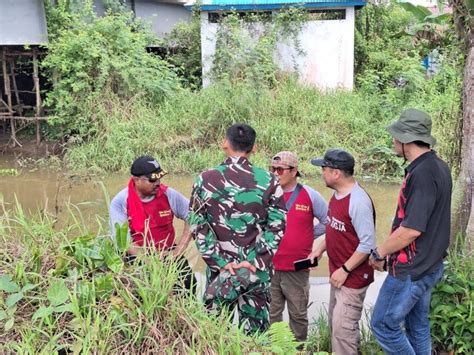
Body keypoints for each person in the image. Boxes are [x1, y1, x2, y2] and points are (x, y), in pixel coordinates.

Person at [188, 123, 287, 334]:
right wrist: (254, 261)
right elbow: (277, 226)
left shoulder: (205, 179)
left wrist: (222, 263)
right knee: (255, 337)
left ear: (225, 143)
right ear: (255, 147)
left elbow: (197, 226)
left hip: (220, 273)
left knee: (214, 334)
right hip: (256, 272)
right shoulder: (269, 180)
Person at [369, 109, 452, 355]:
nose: (393, 141)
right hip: (430, 264)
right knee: (417, 326)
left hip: (412, 270)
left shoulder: (423, 174)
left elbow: (411, 229)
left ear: (406, 140)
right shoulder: (438, 166)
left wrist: (379, 252)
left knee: (383, 325)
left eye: (396, 137)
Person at [310, 148, 376, 354]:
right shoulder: (337, 195)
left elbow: (367, 245)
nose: (322, 173)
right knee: (336, 326)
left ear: (336, 173)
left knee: (343, 333)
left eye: (324, 169)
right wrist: (319, 249)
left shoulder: (358, 201)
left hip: (353, 277)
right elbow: (334, 227)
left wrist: (345, 270)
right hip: (339, 274)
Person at [109, 155, 196, 291]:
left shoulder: (168, 194)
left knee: (189, 283)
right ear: (137, 180)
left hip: (167, 252)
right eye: (153, 179)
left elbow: (193, 215)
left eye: (159, 178)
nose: (158, 183)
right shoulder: (120, 202)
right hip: (136, 255)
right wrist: (150, 262)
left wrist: (178, 250)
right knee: (141, 289)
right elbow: (123, 242)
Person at [269, 151, 328, 342]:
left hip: (297, 268)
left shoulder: (310, 195)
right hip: (269, 266)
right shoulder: (266, 193)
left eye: (280, 169)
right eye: (272, 169)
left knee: (298, 314)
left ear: (294, 171)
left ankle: (298, 349)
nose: (275, 173)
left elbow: (329, 221)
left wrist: (309, 236)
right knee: (271, 313)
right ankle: (274, 349)